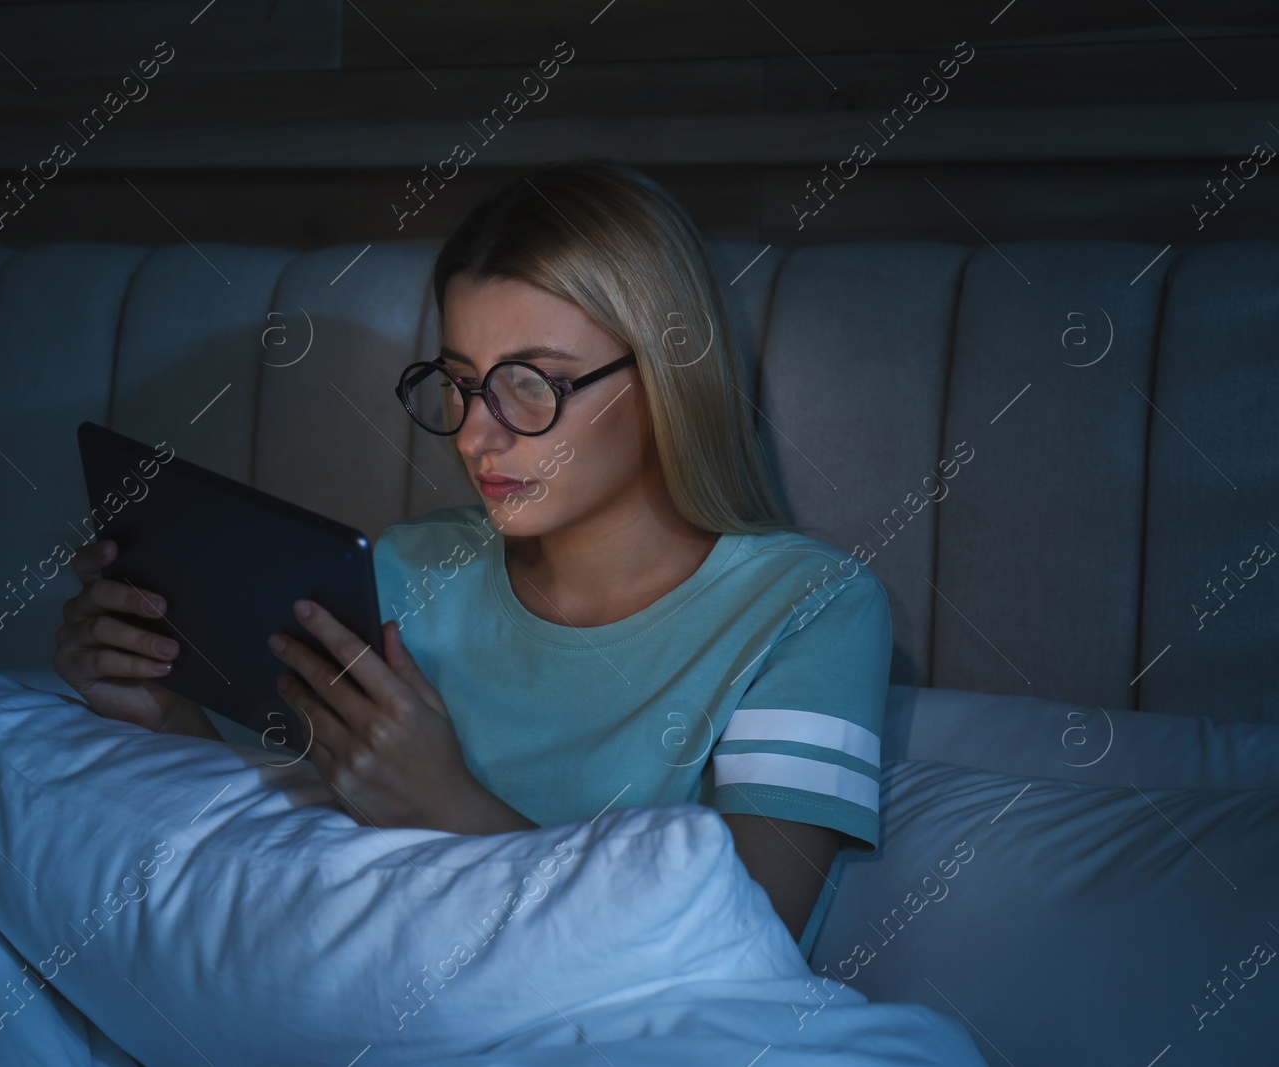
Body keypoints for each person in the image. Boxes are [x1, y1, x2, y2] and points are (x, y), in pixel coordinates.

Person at [52, 159, 892, 957]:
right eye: (460, 381)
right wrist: (156, 700)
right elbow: (287, 851)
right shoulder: (406, 570)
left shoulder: (810, 609)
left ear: (665, 374)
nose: (477, 434)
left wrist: (449, 807)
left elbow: (743, 942)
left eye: (534, 383)